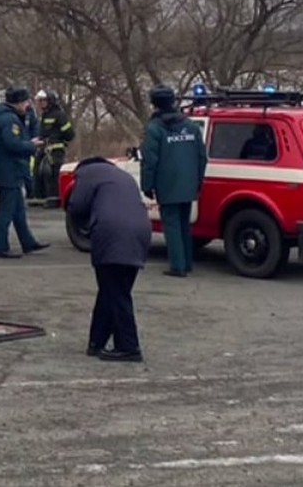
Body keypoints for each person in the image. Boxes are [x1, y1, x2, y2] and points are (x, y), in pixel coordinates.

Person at [67, 157, 151, 362]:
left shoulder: (86, 174)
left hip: (112, 234)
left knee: (116, 293)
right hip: (141, 232)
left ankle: (129, 347)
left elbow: (76, 206)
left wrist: (86, 226)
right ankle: (97, 342)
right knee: (111, 291)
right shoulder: (124, 176)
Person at [139, 84, 208, 278]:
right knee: (184, 224)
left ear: (154, 104)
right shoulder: (191, 126)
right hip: (189, 184)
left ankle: (177, 266)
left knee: (171, 225)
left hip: (167, 183)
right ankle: (186, 263)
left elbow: (150, 160)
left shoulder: (154, 129)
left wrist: (147, 185)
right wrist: (198, 180)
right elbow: (202, 157)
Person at [0, 86, 50, 259]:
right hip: (9, 170)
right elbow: (12, 144)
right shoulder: (10, 121)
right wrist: (32, 145)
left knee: (18, 210)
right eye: (25, 102)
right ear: (19, 103)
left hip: (8, 169)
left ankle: (27, 242)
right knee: (6, 210)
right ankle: (0, 247)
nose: (28, 105)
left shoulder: (3, 117)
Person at [30, 90, 76, 207]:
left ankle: (54, 199)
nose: (40, 104)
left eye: (43, 101)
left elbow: (70, 134)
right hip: (43, 150)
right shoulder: (44, 115)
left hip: (55, 151)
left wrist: (55, 138)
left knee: (52, 174)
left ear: (50, 101)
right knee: (38, 172)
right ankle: (40, 198)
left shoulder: (59, 115)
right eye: (39, 101)